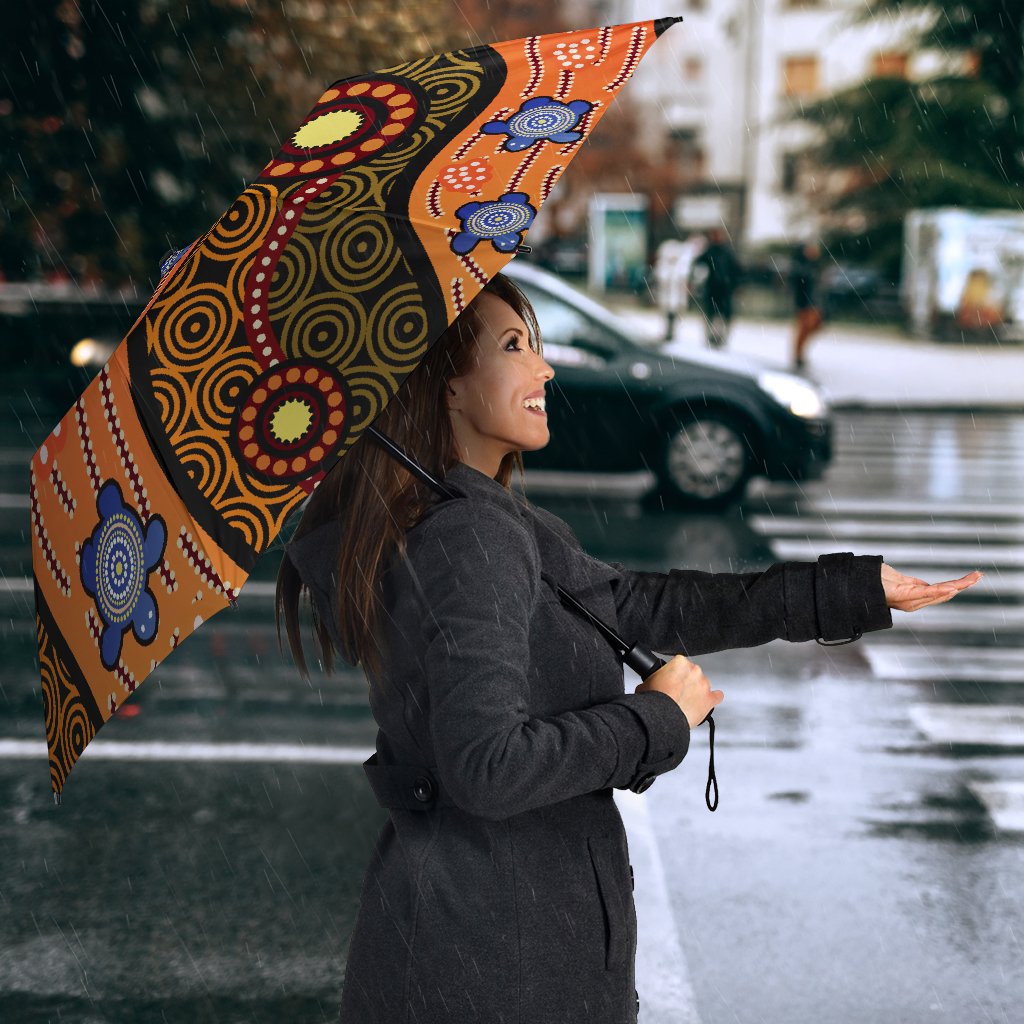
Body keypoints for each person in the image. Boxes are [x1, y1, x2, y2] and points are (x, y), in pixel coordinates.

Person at [276, 273, 981, 1024]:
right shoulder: (469, 537)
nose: (544, 368)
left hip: (483, 943)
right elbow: (487, 767)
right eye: (515, 346)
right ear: (445, 386)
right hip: (496, 962)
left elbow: (643, 605)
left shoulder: (482, 520)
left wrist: (848, 590)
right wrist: (654, 719)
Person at [691, 227, 742, 349]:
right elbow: (698, 264)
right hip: (713, 288)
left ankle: (720, 337)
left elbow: (736, 270)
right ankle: (711, 336)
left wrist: (736, 285)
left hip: (724, 289)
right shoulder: (710, 251)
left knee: (722, 314)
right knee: (711, 313)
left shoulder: (726, 252)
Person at [790, 241, 824, 370]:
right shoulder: (800, 266)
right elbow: (799, 284)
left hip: (814, 302)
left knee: (814, 326)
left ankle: (800, 354)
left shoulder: (814, 266)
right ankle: (798, 355)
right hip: (805, 302)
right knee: (804, 329)